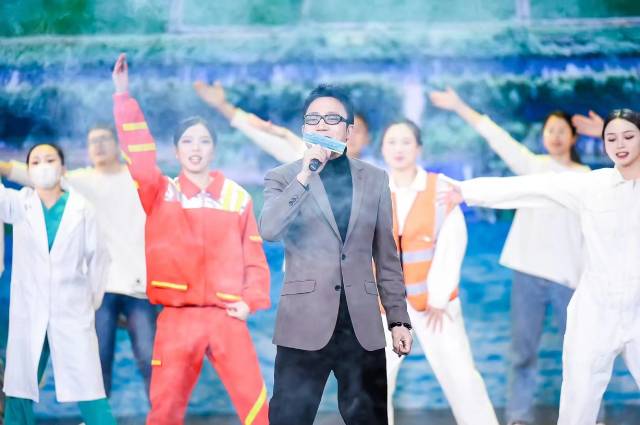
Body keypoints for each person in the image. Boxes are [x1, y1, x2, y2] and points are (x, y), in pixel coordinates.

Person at [443, 108, 640, 425]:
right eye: (611, 138)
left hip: (637, 308)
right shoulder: (591, 185)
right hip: (595, 309)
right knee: (577, 403)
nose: (620, 145)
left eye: (629, 137)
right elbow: (533, 187)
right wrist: (467, 192)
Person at [111, 53, 270, 425]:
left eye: (203, 141)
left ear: (214, 148)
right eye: (187, 141)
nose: (196, 148)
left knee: (256, 408)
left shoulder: (235, 197)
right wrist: (123, 97)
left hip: (226, 316)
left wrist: (249, 301)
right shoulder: (160, 192)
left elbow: (254, 260)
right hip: (177, 319)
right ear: (177, 150)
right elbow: (139, 158)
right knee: (164, 409)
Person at [260, 84, 412, 425]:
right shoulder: (283, 178)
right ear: (304, 128)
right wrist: (305, 175)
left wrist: (398, 319)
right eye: (313, 118)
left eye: (332, 118)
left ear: (349, 129)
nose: (322, 125)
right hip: (303, 324)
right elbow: (269, 229)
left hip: (361, 327)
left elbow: (387, 257)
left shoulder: (375, 179)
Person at [0, 124, 153, 399]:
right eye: (93, 141)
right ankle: (98, 417)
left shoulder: (138, 180)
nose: (99, 145)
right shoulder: (80, 181)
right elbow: (34, 174)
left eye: (104, 138)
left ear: (118, 144)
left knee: (149, 357)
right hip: (102, 286)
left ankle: (161, 416)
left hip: (139, 284)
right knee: (98, 362)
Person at [379, 119, 498, 425]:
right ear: (383, 149)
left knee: (461, 378)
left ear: (418, 148)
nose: (399, 149)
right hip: (385, 306)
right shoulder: (373, 190)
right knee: (375, 383)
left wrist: (439, 297)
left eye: (406, 142)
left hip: (433, 305)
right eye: (392, 142)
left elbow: (452, 241)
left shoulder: (440, 188)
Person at [1, 143, 116, 425]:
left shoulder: (82, 208)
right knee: (19, 389)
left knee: (89, 388)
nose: (43, 166)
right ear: (28, 171)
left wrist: (89, 301)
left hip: (72, 311)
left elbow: (99, 260)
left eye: (49, 160)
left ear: (63, 167)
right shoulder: (19, 204)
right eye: (35, 162)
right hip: (29, 311)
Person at [193, 80, 372, 161]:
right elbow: (264, 137)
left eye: (357, 131)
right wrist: (222, 105)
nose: (350, 137)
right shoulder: (311, 162)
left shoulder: (379, 175)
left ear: (367, 139)